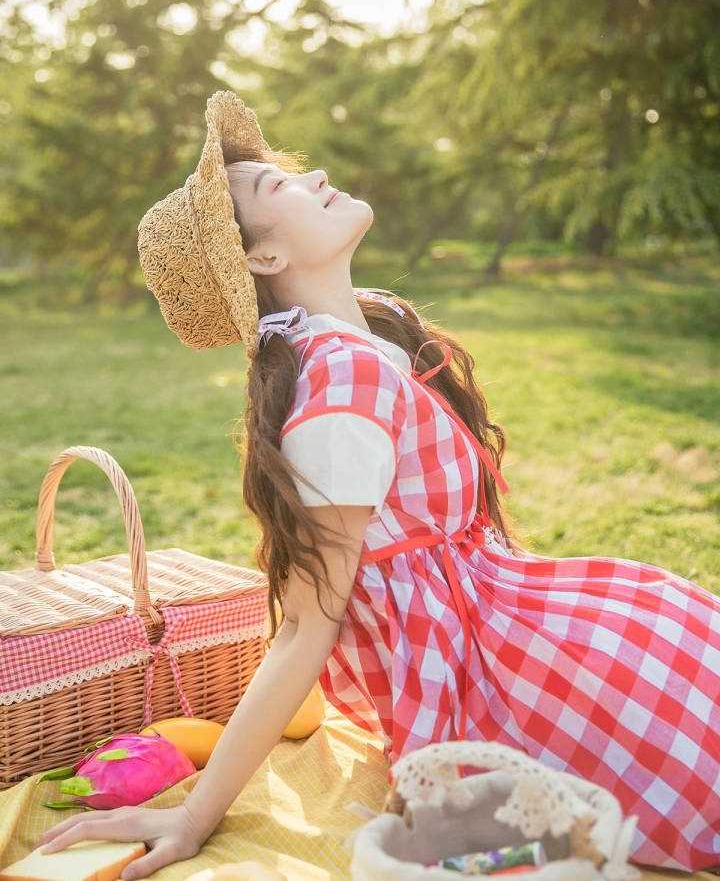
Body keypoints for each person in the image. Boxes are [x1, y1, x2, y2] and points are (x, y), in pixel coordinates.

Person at [34, 91, 720, 878]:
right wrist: (194, 815)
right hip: (480, 665)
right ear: (263, 259)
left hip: (505, 613)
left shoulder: (372, 328)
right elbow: (303, 628)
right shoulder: (338, 392)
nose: (316, 173)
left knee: (683, 642)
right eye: (277, 186)